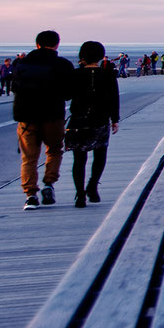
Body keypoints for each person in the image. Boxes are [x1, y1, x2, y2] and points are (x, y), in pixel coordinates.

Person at [12, 30, 73, 209]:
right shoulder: (63, 64)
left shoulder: (22, 63)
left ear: (37, 44)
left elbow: (14, 86)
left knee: (29, 157)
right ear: (57, 44)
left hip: (26, 117)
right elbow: (69, 93)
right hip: (53, 115)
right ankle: (48, 183)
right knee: (54, 150)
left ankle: (30, 195)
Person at [66, 41, 120, 207]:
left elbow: (68, 95)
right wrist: (115, 119)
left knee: (79, 158)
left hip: (78, 120)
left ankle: (80, 194)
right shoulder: (108, 74)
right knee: (100, 154)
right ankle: (92, 186)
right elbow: (114, 98)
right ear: (100, 56)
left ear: (82, 56)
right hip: (100, 119)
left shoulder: (75, 74)